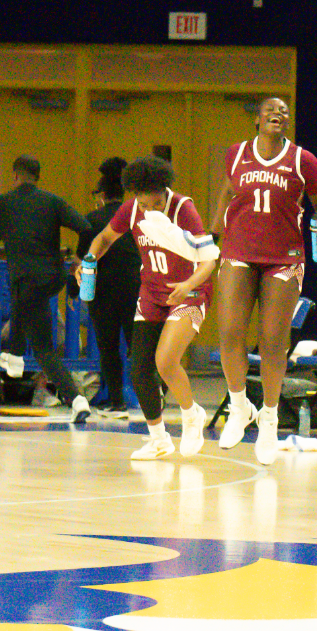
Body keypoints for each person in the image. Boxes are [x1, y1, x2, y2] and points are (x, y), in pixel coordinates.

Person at [211, 97, 317, 465]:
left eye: (284, 111)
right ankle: (238, 406)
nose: (278, 115)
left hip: (285, 255)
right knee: (230, 331)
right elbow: (230, 191)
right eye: (271, 110)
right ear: (258, 118)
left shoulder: (303, 159)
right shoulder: (236, 154)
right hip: (238, 249)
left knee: (274, 340)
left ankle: (270, 416)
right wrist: (213, 232)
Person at [81, 156, 217, 460]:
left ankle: (191, 413)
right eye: (141, 202)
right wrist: (90, 261)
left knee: (166, 361)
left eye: (153, 203)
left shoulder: (184, 208)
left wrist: (187, 284)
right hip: (152, 293)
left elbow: (209, 259)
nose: (147, 208)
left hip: (189, 291)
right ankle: (158, 439)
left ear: (164, 190)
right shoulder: (130, 210)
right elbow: (104, 238)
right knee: (139, 369)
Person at [0, 155, 92, 421]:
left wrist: (4, 224)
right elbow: (86, 228)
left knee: (40, 344)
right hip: (52, 278)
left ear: (15, 176)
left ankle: (16, 357)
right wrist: (78, 258)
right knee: (41, 342)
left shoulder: (1, 204)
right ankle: (76, 400)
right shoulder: (53, 201)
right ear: (37, 176)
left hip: (25, 278)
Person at [75, 158, 137, 415]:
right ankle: (152, 395)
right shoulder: (135, 215)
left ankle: (117, 402)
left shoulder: (91, 219)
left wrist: (82, 293)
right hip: (135, 287)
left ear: (101, 195)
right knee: (140, 346)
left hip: (103, 292)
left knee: (108, 348)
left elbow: (85, 259)